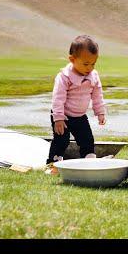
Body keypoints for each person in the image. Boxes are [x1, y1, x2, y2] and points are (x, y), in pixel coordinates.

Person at [48, 35, 106, 164]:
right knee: (61, 140)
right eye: (86, 64)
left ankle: (88, 160)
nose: (89, 68)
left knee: (87, 139)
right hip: (63, 116)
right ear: (72, 59)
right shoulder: (65, 77)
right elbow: (58, 98)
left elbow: (97, 95)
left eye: (93, 64)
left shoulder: (93, 76)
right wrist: (58, 118)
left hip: (80, 116)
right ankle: (53, 163)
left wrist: (100, 112)